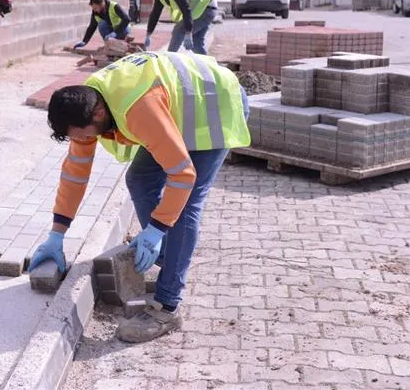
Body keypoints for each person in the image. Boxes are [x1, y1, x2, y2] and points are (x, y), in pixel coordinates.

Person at [28, 50, 250, 343]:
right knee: (140, 179)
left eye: (83, 135)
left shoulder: (136, 109)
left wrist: (156, 229)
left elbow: (182, 175)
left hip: (213, 104)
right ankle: (172, 260)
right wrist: (57, 234)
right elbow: (75, 174)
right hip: (175, 109)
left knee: (184, 206)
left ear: (98, 114)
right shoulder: (88, 105)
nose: (82, 142)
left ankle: (167, 306)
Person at [143, 0, 217, 55]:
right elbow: (155, 14)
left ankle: (169, 59)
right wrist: (148, 34)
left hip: (206, 7)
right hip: (205, 8)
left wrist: (188, 32)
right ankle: (208, 67)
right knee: (196, 44)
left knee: (179, 30)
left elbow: (186, 10)